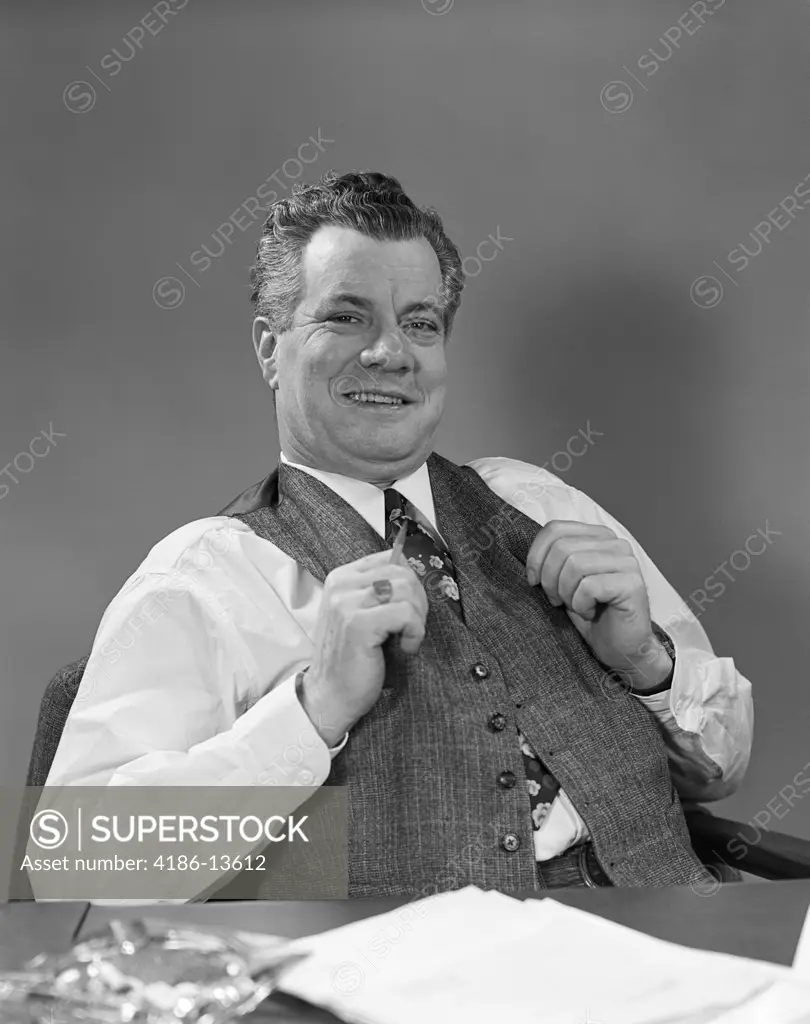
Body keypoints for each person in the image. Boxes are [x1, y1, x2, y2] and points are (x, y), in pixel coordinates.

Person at [44, 170, 752, 895]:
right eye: (346, 317)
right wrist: (312, 710)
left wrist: (649, 668)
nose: (391, 352)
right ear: (269, 348)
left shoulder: (541, 502)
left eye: (419, 323)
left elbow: (721, 770)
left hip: (675, 946)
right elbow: (79, 867)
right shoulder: (206, 577)